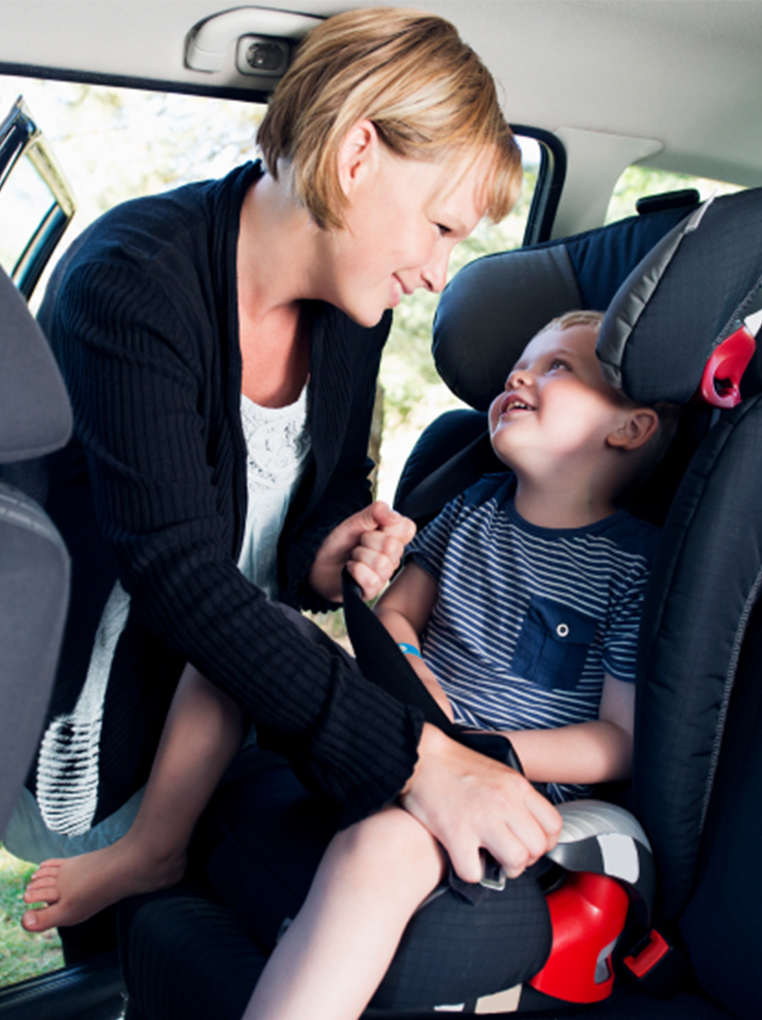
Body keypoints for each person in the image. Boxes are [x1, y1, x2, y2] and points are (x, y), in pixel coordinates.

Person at [15, 7, 562, 940]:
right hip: (96, 715)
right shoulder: (132, 280)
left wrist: (333, 549)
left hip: (231, 689)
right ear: (356, 158)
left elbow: (326, 492)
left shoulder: (353, 312)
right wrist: (423, 761)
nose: (437, 273)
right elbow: (180, 574)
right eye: (437, 228)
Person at [240, 310, 677, 1019]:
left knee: (386, 846)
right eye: (521, 362)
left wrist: (484, 752)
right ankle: (151, 849)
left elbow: (618, 742)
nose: (519, 375)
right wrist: (410, 665)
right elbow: (399, 614)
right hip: (399, 729)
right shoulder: (473, 507)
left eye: (558, 367)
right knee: (257, 634)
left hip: (502, 787)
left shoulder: (632, 566)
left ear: (628, 428)